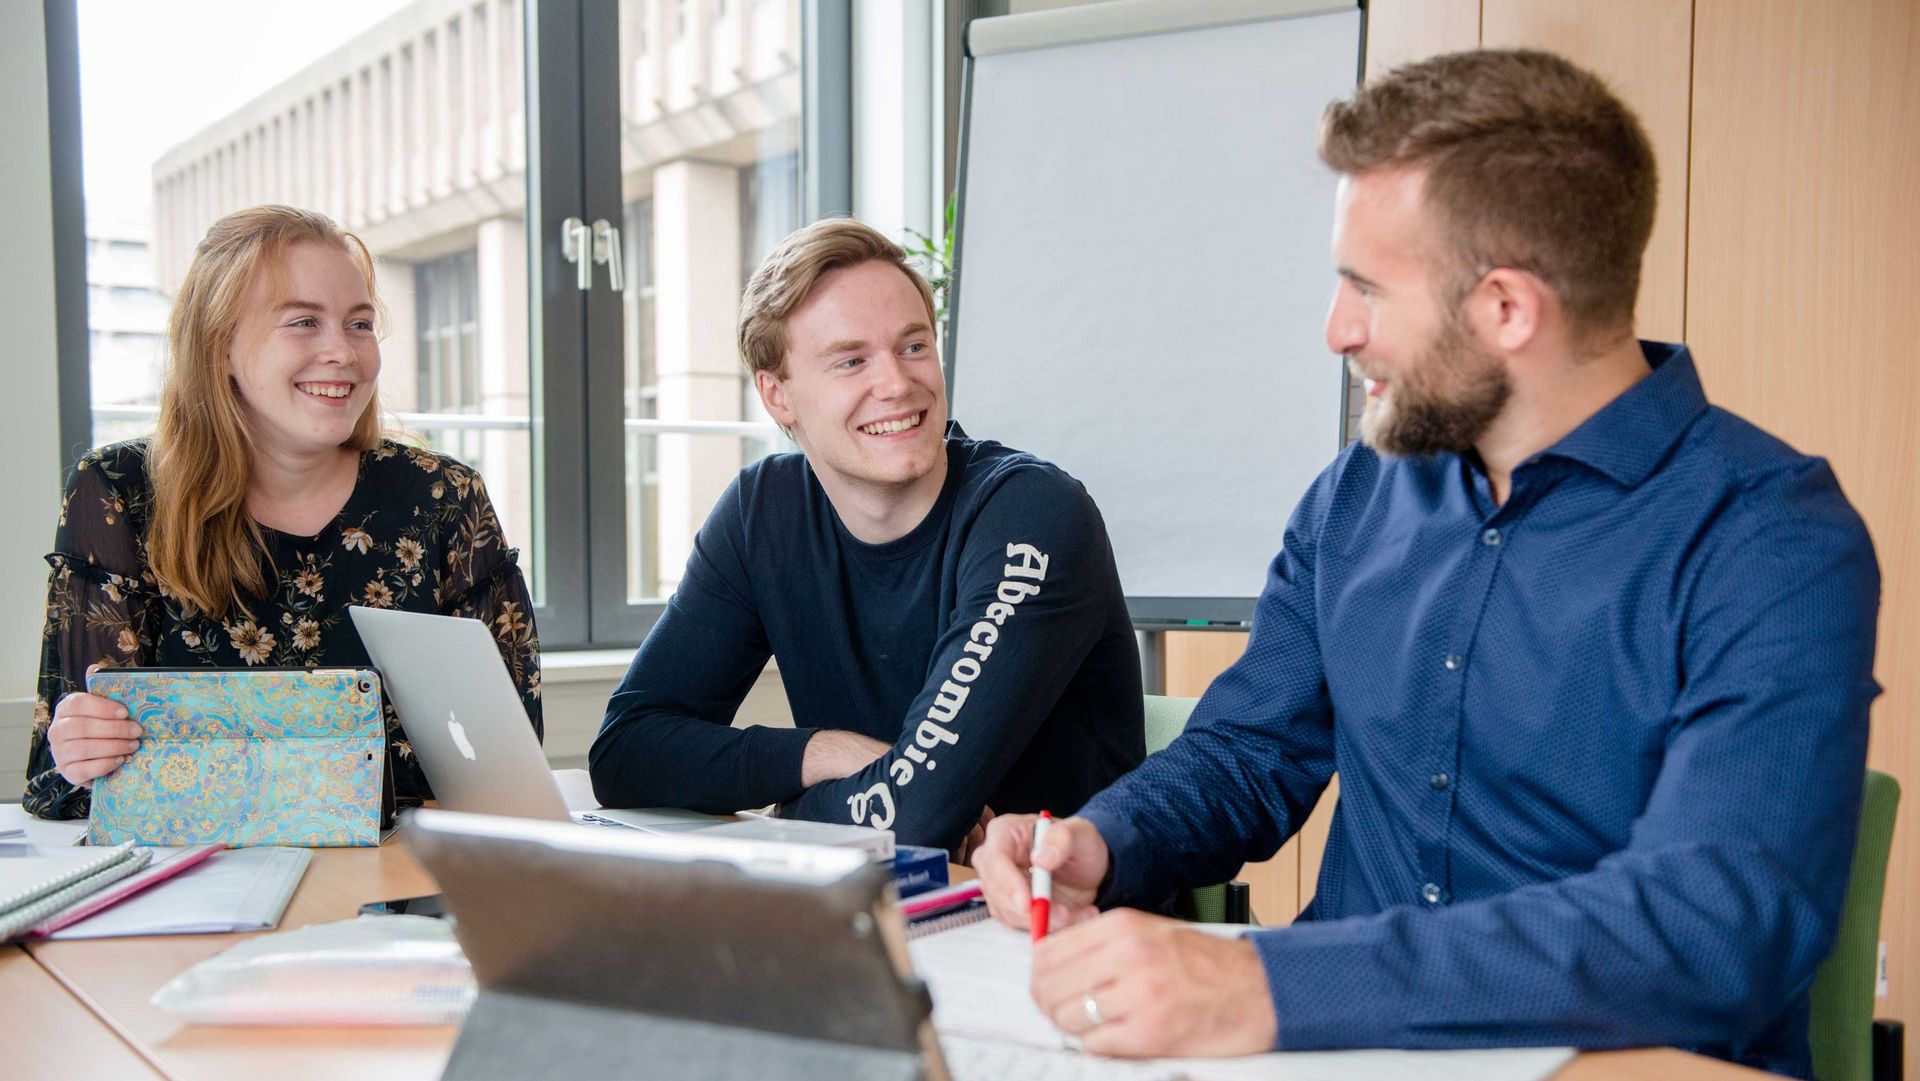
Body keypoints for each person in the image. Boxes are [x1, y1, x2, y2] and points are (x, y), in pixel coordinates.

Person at [972, 49, 1879, 1078]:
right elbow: (1245, 752)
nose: (1336, 329)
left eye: (1365, 286)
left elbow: (1707, 928)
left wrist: (1272, 985)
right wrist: (1105, 837)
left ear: (1505, 309)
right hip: (1328, 1052)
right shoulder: (1360, 491)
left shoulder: (1770, 538)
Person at [588, 218, 1143, 855]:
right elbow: (626, 752)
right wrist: (820, 753)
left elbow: (915, 816)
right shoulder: (762, 513)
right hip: (879, 911)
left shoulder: (1031, 513)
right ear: (778, 395)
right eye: (851, 360)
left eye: (913, 346)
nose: (898, 384)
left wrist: (795, 806)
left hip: (1066, 928)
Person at [26, 204, 541, 819]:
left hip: (406, 877)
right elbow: (63, 787)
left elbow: (510, 765)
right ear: (219, 347)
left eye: (359, 323)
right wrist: (81, 753)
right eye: (303, 321)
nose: (342, 353)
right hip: (205, 885)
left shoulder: (445, 497)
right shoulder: (119, 491)